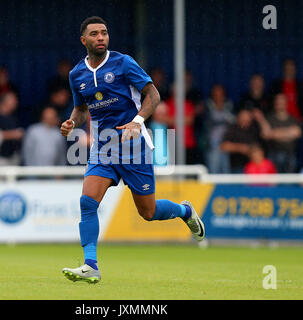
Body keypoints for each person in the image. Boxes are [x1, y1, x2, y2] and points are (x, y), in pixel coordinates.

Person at [60, 16, 205, 284]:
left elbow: (153, 95)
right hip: (103, 147)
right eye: (94, 34)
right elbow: (81, 109)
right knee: (87, 202)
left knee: (147, 212)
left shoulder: (123, 62)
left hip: (133, 145)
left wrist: (137, 122)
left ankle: (185, 211)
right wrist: (72, 122)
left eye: (104, 33)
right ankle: (90, 264)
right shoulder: (76, 74)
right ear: (84, 40)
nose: (101, 37)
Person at [254, 94, 302, 173]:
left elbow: (297, 133)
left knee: (289, 182)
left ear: (286, 104)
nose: (280, 105)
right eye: (278, 103)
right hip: (274, 154)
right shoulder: (270, 118)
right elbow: (265, 134)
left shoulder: (292, 119)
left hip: (290, 155)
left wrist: (274, 133)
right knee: (274, 182)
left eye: (282, 102)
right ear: (274, 104)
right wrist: (288, 132)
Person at [205, 84, 235, 173]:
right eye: (215, 94)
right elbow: (206, 124)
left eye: (220, 94)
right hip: (213, 144)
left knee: (226, 171)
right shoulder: (207, 106)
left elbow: (234, 121)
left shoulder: (229, 106)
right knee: (213, 170)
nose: (218, 96)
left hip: (227, 143)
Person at [220, 108, 261, 173]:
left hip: (253, 166)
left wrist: (253, 151)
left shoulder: (254, 128)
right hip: (236, 166)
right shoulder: (233, 128)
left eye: (247, 120)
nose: (245, 122)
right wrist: (241, 148)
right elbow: (223, 146)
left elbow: (260, 146)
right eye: (243, 120)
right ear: (238, 118)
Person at [0, 92, 24, 165]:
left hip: (13, 155)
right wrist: (13, 134)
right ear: (5, 101)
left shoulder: (13, 117)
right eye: (13, 100)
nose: (16, 102)